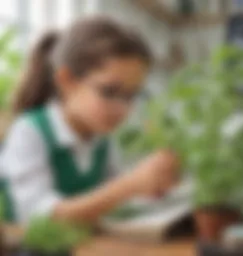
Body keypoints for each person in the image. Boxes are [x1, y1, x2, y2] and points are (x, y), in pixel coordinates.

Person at [1, 16, 179, 224]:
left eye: (131, 96)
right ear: (67, 81)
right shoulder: (28, 132)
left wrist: (150, 186)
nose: (122, 108)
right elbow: (40, 218)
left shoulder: (100, 137)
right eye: (109, 92)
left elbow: (109, 200)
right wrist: (129, 186)